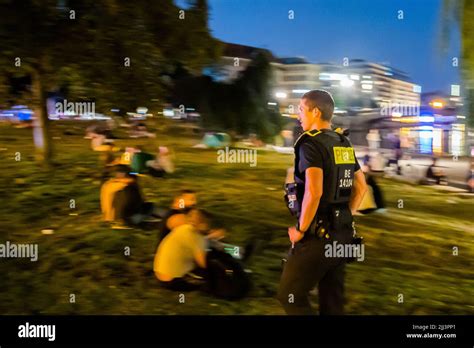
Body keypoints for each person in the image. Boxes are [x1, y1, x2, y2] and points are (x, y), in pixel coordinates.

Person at [278, 89, 367, 315]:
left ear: (315, 111)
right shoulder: (342, 142)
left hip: (318, 237)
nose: (298, 115)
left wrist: (300, 230)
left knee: (290, 295)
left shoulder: (311, 144)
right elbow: (361, 186)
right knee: (332, 302)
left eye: (301, 109)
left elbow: (314, 192)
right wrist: (347, 216)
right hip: (343, 235)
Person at [153, 209, 212, 291]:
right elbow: (203, 264)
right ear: (203, 224)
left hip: (159, 274)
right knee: (209, 269)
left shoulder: (183, 228)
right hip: (173, 280)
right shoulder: (197, 237)